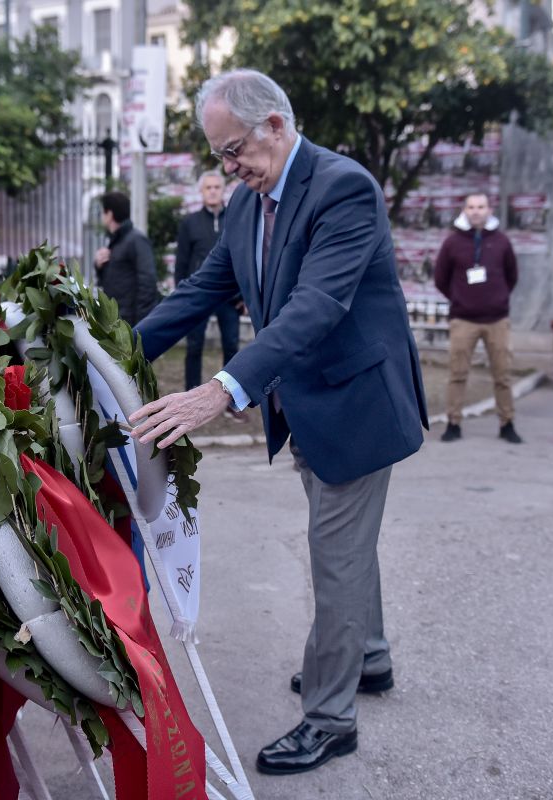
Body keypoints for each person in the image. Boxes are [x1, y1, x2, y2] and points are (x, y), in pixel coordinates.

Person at [128, 69, 427, 776]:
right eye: (219, 157)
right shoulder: (243, 206)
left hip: (355, 409)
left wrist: (225, 388)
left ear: (276, 126)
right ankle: (371, 659)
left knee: (335, 557)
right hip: (306, 407)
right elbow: (202, 290)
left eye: (235, 150)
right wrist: (115, 349)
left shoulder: (342, 188)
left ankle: (330, 719)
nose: (228, 167)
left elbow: (316, 306)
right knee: (345, 548)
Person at [433, 193, 522, 444]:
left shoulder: (502, 241)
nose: (476, 211)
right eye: (471, 207)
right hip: (463, 320)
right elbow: (440, 278)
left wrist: (498, 298)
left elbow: (511, 275)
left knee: (503, 375)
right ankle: (453, 423)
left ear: (489, 209)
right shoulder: (452, 243)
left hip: (497, 320)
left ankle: (507, 423)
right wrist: (460, 298)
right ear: (464, 210)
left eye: (480, 207)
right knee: (457, 373)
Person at [175, 171, 244, 405]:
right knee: (194, 347)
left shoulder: (235, 219)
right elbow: (181, 263)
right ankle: (190, 396)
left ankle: (231, 401)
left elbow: (245, 259)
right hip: (198, 295)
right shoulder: (189, 223)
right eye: (208, 187)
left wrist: (244, 296)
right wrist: (181, 297)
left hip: (230, 297)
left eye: (217, 187)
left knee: (231, 346)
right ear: (201, 192)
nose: (213, 191)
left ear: (223, 190)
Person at [93, 192, 159, 326]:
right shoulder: (117, 241)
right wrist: (98, 265)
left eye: (103, 212)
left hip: (131, 321)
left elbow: (148, 281)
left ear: (109, 214)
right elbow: (115, 278)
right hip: (117, 319)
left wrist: (141, 322)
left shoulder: (136, 240)